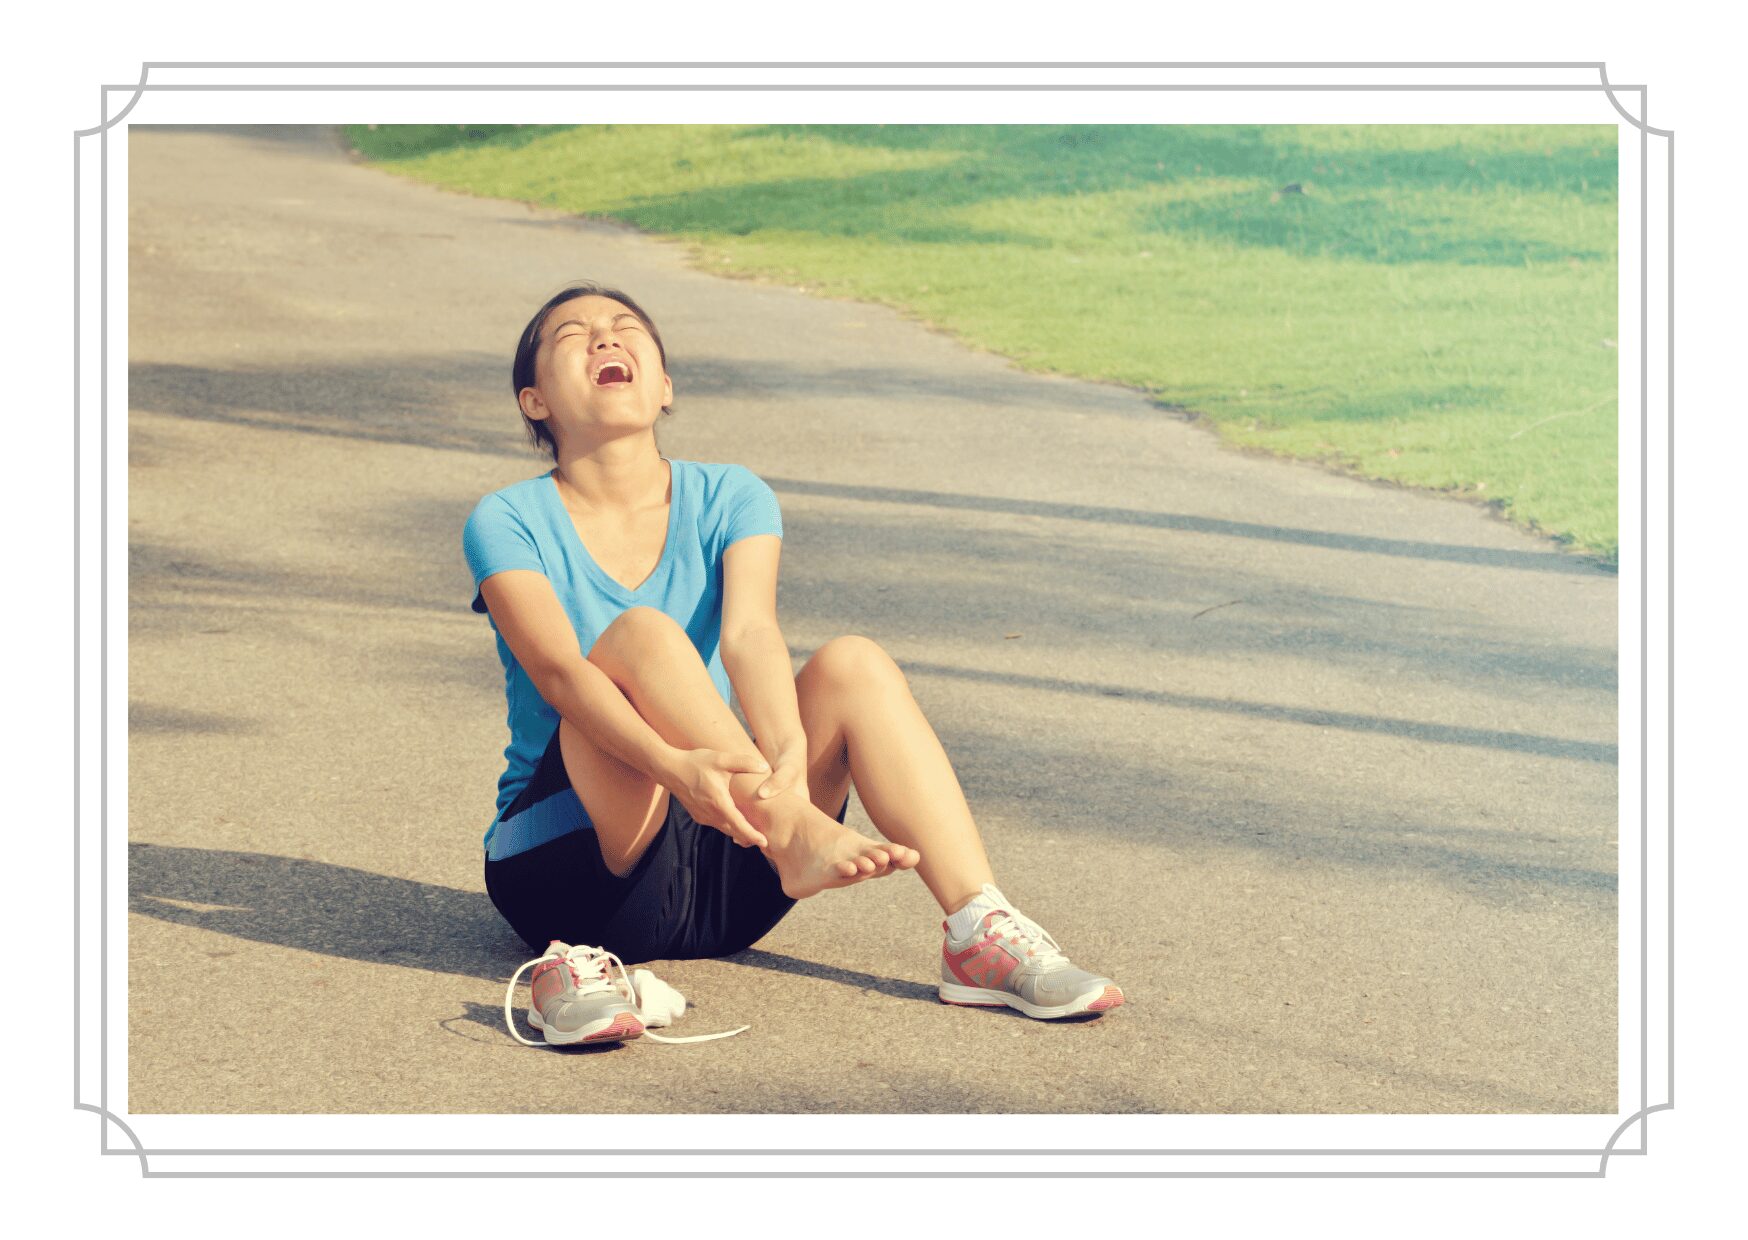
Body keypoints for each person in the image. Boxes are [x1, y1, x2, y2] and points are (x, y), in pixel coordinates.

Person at [464, 281, 1124, 1045]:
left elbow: (750, 635)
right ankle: (792, 833)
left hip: (731, 871)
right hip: (576, 870)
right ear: (534, 400)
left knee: (854, 663)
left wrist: (785, 752)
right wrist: (688, 774)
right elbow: (559, 674)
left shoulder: (731, 494)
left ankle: (980, 930)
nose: (605, 339)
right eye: (573, 335)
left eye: (625, 328)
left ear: (665, 384)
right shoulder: (507, 519)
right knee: (640, 635)